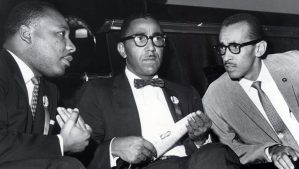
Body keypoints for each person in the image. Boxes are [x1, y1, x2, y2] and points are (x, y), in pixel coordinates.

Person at [77, 13, 240, 169]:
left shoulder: (186, 93)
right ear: (122, 49)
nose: (151, 47)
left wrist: (200, 139)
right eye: (140, 38)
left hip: (194, 163)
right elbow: (80, 155)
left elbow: (206, 153)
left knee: (216, 152)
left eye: (157, 39)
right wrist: (113, 147)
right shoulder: (97, 92)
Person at [0, 1, 92, 168]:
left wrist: (72, 136)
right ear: (26, 34)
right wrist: (60, 144)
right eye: (61, 34)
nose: (72, 47)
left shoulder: (49, 89)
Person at [203, 13, 299, 169]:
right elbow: (228, 151)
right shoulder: (214, 97)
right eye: (222, 47)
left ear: (259, 48)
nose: (226, 57)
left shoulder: (295, 65)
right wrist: (270, 151)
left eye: (235, 47)